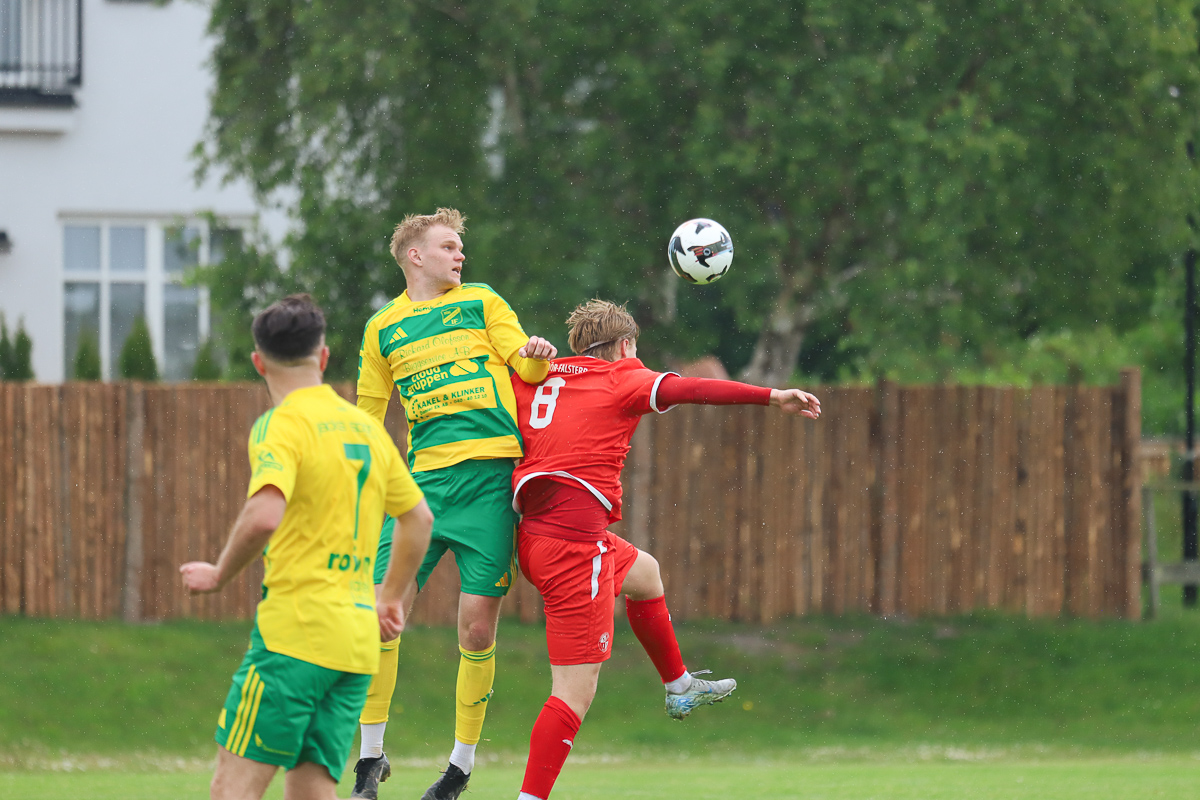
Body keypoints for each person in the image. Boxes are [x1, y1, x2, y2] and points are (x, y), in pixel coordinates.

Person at [509, 299, 821, 800]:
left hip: (535, 538)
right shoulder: (621, 376)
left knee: (646, 573)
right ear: (625, 345)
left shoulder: (538, 374)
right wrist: (772, 396)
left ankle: (679, 686)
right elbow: (692, 388)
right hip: (575, 551)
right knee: (572, 694)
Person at [179, 294, 433, 800]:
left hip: (294, 639)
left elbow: (264, 516)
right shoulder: (366, 428)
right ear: (323, 356)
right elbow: (418, 519)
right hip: (355, 646)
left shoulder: (281, 424)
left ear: (259, 362)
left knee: (232, 788)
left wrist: (219, 574)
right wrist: (389, 597)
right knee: (312, 789)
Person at [352, 208, 557, 800]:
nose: (460, 255)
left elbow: (526, 367)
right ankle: (369, 760)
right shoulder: (382, 328)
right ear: (415, 256)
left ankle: (459, 767)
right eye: (449, 246)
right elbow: (368, 417)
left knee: (476, 629)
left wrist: (538, 355)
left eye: (460, 247)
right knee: (381, 613)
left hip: (489, 485)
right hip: (420, 489)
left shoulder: (483, 302)